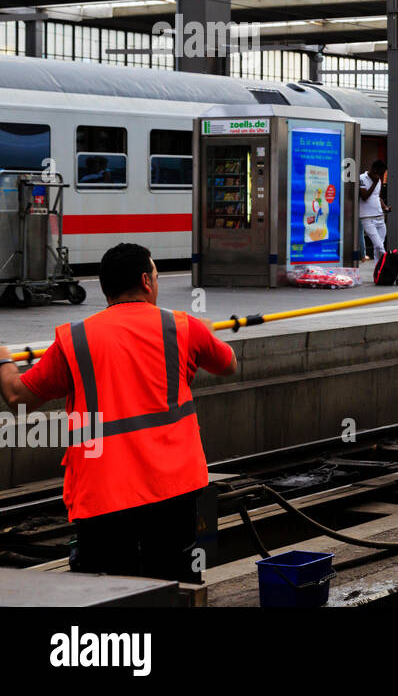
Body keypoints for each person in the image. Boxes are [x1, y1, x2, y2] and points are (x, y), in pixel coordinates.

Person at [0, 242, 237, 582]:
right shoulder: (183, 328)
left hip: (105, 495)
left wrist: (4, 359)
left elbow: (17, 397)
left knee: (109, 590)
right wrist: (207, 333)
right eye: (156, 276)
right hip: (173, 489)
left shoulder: (75, 339)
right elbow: (228, 363)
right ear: (145, 281)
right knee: (174, 583)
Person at [358, 159, 387, 263]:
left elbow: (377, 197)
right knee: (379, 245)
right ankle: (388, 261)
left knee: (378, 247)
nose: (380, 177)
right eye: (380, 174)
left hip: (380, 216)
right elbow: (364, 196)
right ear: (374, 170)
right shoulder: (361, 178)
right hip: (367, 217)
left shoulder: (378, 180)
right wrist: (374, 183)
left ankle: (378, 269)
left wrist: (385, 207)